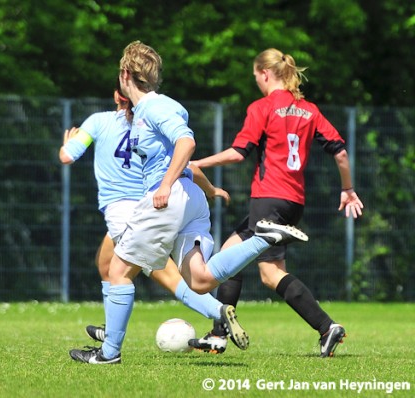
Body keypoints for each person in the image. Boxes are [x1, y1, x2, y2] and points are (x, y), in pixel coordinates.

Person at [69, 41, 308, 365]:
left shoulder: (154, 107)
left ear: (125, 75)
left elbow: (187, 142)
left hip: (168, 198)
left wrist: (165, 185)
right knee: (199, 279)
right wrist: (207, 190)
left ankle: (108, 353)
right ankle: (263, 238)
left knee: (118, 270)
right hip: (189, 198)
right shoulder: (150, 110)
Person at [189, 48, 364, 358]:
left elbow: (238, 152)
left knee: (270, 273)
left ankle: (327, 327)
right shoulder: (309, 110)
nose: (256, 81)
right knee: (230, 257)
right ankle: (218, 334)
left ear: (265, 74)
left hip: (269, 199)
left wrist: (196, 162)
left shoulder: (263, 107)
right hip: (293, 200)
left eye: (256, 76)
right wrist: (347, 189)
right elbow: (340, 153)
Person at [59, 81, 242, 347]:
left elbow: (68, 156)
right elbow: (183, 161)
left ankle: (217, 314)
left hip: (130, 211)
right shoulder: (145, 122)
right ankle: (110, 328)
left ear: (115, 96)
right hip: (151, 202)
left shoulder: (97, 122)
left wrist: (67, 145)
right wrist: (210, 189)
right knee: (105, 263)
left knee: (164, 275)